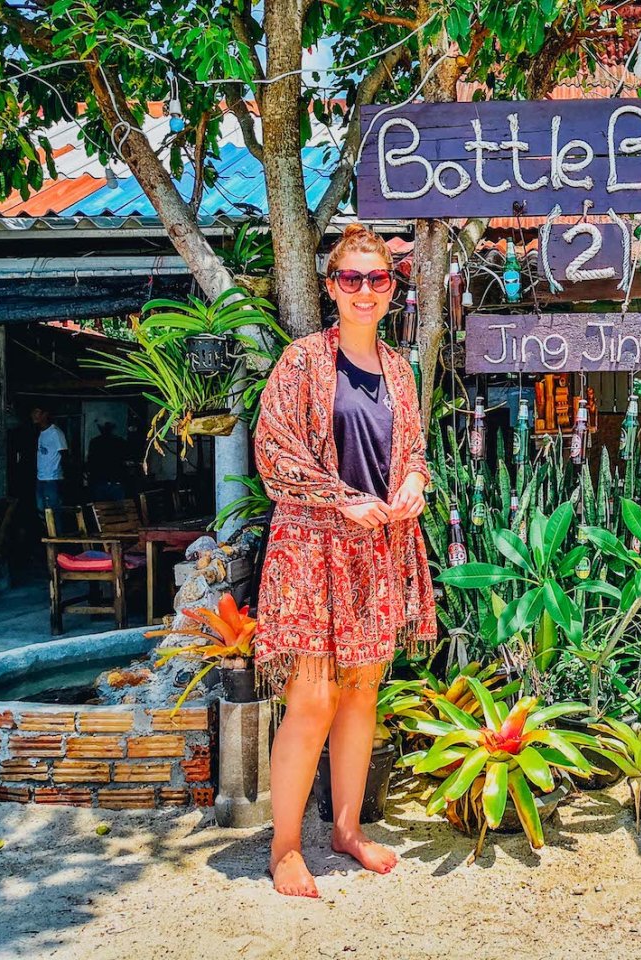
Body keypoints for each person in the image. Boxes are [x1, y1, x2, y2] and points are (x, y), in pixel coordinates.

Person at [253, 222, 436, 899]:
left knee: (362, 692)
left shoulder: (398, 368)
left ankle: (348, 829)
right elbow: (273, 449)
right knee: (312, 699)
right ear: (332, 287)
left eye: (378, 278)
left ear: (392, 288)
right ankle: (285, 847)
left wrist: (415, 482)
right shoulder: (303, 360)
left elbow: (413, 450)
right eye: (352, 278)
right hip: (312, 550)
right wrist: (339, 499)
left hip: (376, 551)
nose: (365, 290)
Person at [31, 406, 70, 513]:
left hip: (52, 479)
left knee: (53, 512)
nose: (34, 415)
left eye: (37, 412)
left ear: (45, 414)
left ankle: (57, 530)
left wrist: (63, 476)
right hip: (41, 478)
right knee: (42, 509)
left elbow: (64, 454)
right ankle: (48, 530)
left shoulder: (55, 432)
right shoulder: (40, 433)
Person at [86, 421, 128, 502]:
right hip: (115, 480)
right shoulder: (119, 441)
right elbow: (125, 459)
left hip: (99, 480)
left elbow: (90, 461)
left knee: (100, 508)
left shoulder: (95, 442)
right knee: (119, 510)